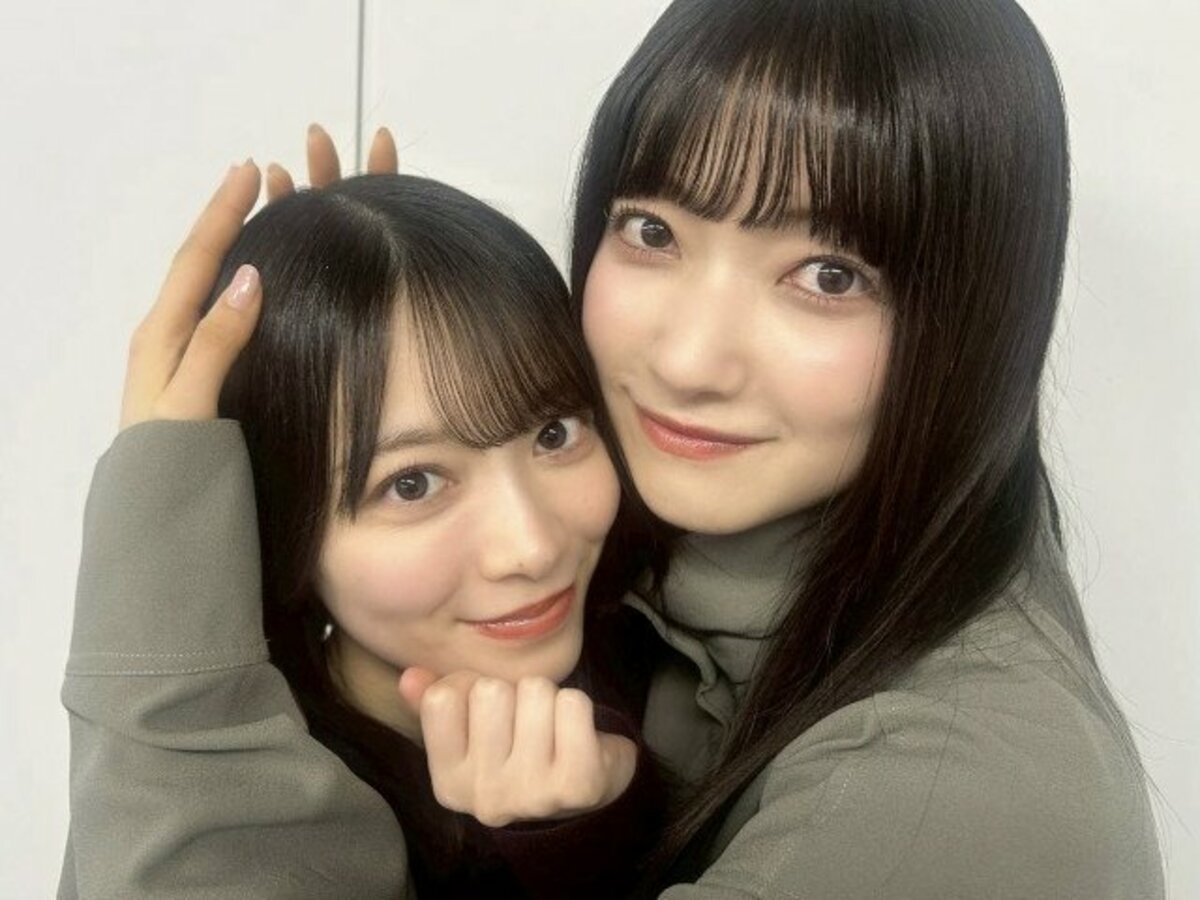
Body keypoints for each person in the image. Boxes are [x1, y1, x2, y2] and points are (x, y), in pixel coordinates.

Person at [62, 0, 1164, 897]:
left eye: (828, 276)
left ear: (977, 326)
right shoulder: (669, 579)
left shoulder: (952, 800)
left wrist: (171, 664)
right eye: (653, 230)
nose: (688, 359)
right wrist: (349, 327)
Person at [60, 169, 664, 899]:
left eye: (554, 433)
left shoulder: (656, 663)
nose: (532, 547)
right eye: (412, 484)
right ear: (284, 529)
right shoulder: (238, 817)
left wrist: (608, 811)